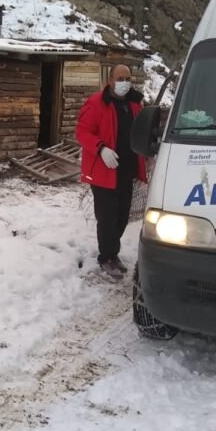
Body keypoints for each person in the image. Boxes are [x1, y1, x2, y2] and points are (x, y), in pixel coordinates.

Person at [75, 64, 147, 280]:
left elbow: (141, 130)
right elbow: (82, 131)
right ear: (110, 80)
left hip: (126, 170)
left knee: (122, 215)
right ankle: (107, 257)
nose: (124, 82)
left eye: (127, 78)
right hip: (104, 171)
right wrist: (101, 148)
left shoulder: (135, 104)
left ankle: (111, 251)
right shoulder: (96, 103)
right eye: (120, 78)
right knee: (107, 217)